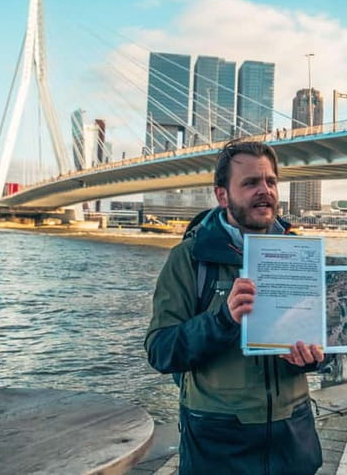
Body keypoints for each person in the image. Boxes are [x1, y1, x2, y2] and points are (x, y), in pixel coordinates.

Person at [145, 140, 324, 474]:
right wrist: (222, 320)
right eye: (251, 183)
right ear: (222, 195)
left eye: (270, 181)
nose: (265, 190)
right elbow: (161, 351)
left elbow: (329, 343)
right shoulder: (190, 259)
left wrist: (314, 358)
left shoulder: (301, 254)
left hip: (293, 439)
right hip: (220, 446)